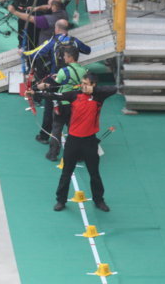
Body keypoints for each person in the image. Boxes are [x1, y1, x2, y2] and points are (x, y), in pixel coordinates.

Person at [28, 72, 117, 212]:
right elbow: (56, 95)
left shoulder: (98, 97)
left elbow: (114, 89)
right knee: (66, 172)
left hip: (90, 141)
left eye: (86, 84)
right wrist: (37, 92)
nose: (82, 85)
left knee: (94, 173)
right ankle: (61, 200)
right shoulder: (74, 95)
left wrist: (94, 90)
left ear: (93, 85)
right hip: (73, 141)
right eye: (82, 83)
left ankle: (99, 200)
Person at [36, 46, 88, 161]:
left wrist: (44, 85)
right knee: (74, 130)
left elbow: (55, 85)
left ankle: (53, 153)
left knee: (57, 128)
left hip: (62, 104)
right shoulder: (84, 71)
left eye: (65, 56)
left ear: (70, 57)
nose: (63, 58)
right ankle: (77, 155)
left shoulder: (63, 71)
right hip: (76, 104)